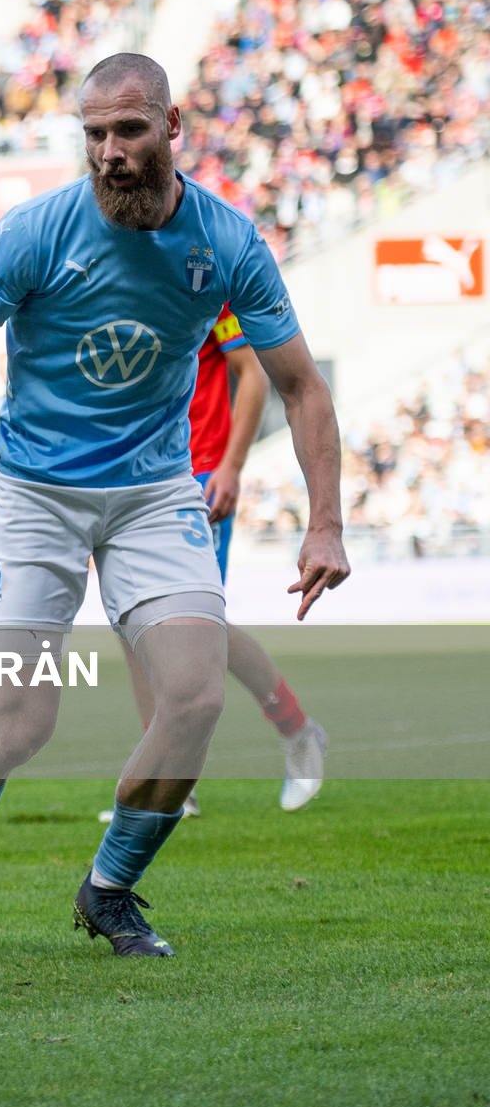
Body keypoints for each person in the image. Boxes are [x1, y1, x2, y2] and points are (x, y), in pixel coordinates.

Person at [0, 52, 348, 957]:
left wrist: (325, 522)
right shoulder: (36, 231)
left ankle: (109, 890)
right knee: (22, 725)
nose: (110, 152)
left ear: (172, 126)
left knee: (191, 700)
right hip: (35, 495)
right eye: (95, 135)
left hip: (154, 493)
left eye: (129, 130)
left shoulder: (228, 243)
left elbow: (300, 386)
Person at [103, 306, 328, 822]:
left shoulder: (204, 279)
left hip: (197, 476)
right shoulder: (119, 273)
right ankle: (168, 784)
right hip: (131, 476)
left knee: (196, 626)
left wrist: (231, 466)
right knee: (129, 621)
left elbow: (251, 373)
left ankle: (297, 729)